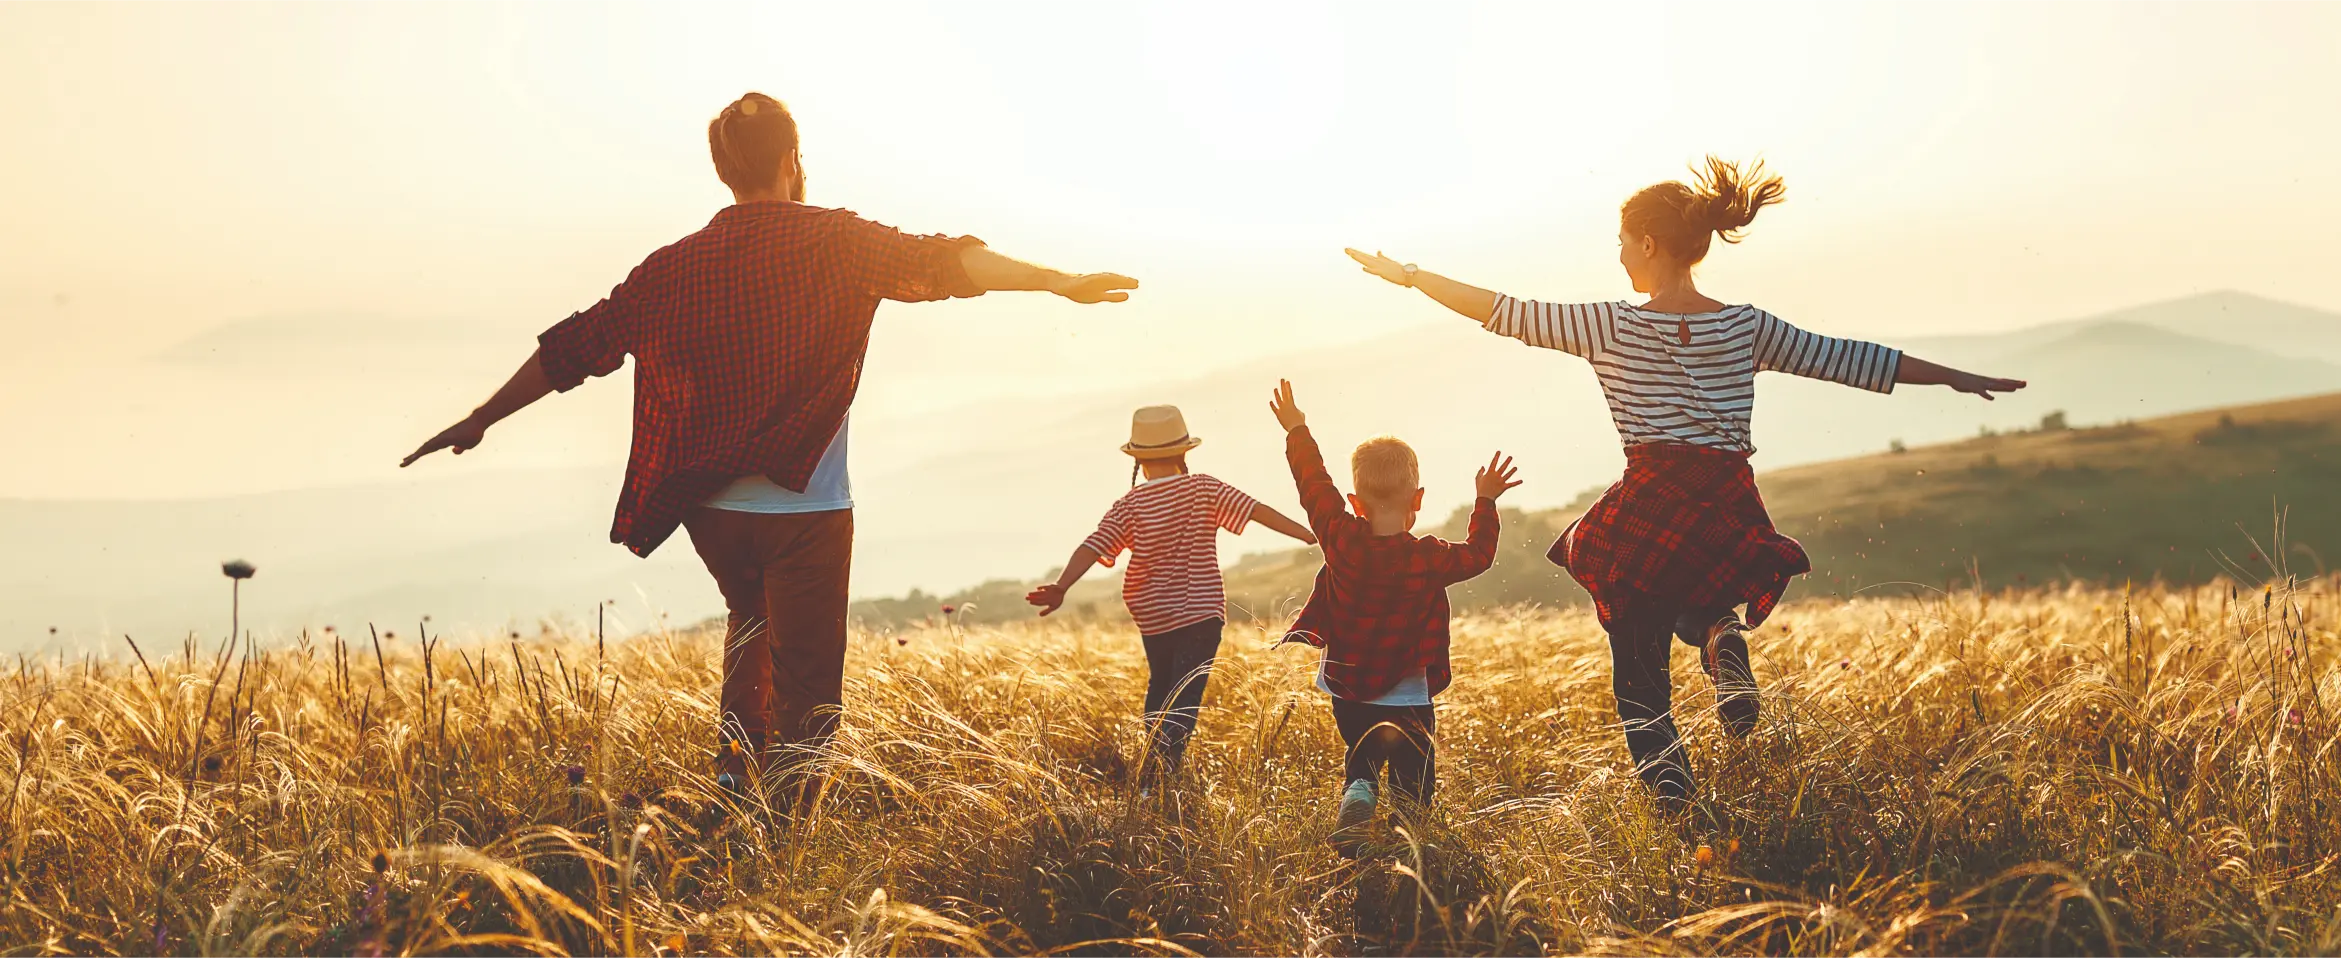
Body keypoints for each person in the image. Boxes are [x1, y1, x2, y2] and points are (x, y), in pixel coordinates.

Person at [400, 92, 1139, 810]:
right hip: (805, 510)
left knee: (748, 624)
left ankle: (733, 777)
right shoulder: (837, 240)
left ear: (724, 170)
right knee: (809, 677)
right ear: (792, 159)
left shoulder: (672, 266)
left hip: (709, 512)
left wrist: (480, 417)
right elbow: (946, 263)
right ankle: (786, 826)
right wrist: (1058, 283)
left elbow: (576, 347)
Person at [1342, 155, 2025, 816]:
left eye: (1620, 243)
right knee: (1687, 595)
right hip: (1726, 501)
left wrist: (1408, 276)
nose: (1616, 257)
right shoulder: (1745, 325)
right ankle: (1718, 634)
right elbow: (1851, 359)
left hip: (1650, 498)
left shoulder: (1609, 323)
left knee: (1635, 673)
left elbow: (1499, 309)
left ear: (1646, 242)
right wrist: (1958, 377)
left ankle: (1677, 809)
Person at [1264, 379, 1514, 854]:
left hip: (1347, 684)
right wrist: (1485, 500)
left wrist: (1297, 429)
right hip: (1407, 692)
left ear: (1355, 503)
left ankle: (1358, 790)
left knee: (1361, 758)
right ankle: (1406, 846)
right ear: (1417, 499)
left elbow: (1313, 485)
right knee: (1413, 776)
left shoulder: (1339, 537)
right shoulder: (1428, 557)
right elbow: (1480, 554)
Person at [1024, 404, 1315, 785]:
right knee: (1185, 694)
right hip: (1201, 613)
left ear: (1139, 461)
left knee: (1160, 688)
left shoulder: (1129, 505)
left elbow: (1093, 546)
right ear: (1183, 452)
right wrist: (1310, 534)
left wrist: (1062, 586)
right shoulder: (1204, 488)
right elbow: (1257, 511)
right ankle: (1162, 775)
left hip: (1153, 616)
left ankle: (1153, 772)